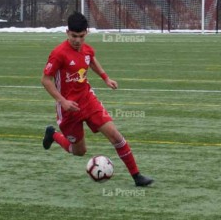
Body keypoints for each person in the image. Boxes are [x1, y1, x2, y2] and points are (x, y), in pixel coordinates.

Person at [41, 12, 153, 187]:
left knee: (115, 136)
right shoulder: (58, 54)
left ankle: (137, 176)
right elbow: (46, 80)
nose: (77, 40)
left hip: (88, 100)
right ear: (67, 33)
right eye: (73, 36)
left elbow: (91, 59)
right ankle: (53, 134)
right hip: (69, 109)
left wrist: (105, 78)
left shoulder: (87, 49)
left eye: (81, 36)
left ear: (87, 33)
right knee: (79, 151)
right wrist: (62, 101)